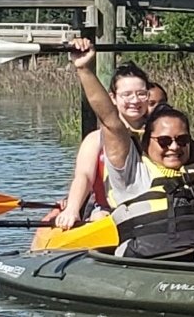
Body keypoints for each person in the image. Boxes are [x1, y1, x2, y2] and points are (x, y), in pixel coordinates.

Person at [72, 35, 194, 261]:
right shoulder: (132, 173)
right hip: (158, 264)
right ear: (148, 142)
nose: (174, 147)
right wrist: (85, 69)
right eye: (165, 141)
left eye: (182, 140)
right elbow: (110, 119)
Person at [52, 62, 157, 229]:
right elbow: (84, 176)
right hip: (107, 210)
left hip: (154, 210)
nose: (135, 100)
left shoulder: (162, 135)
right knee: (99, 216)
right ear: (113, 98)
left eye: (141, 94)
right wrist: (72, 208)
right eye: (127, 94)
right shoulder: (95, 139)